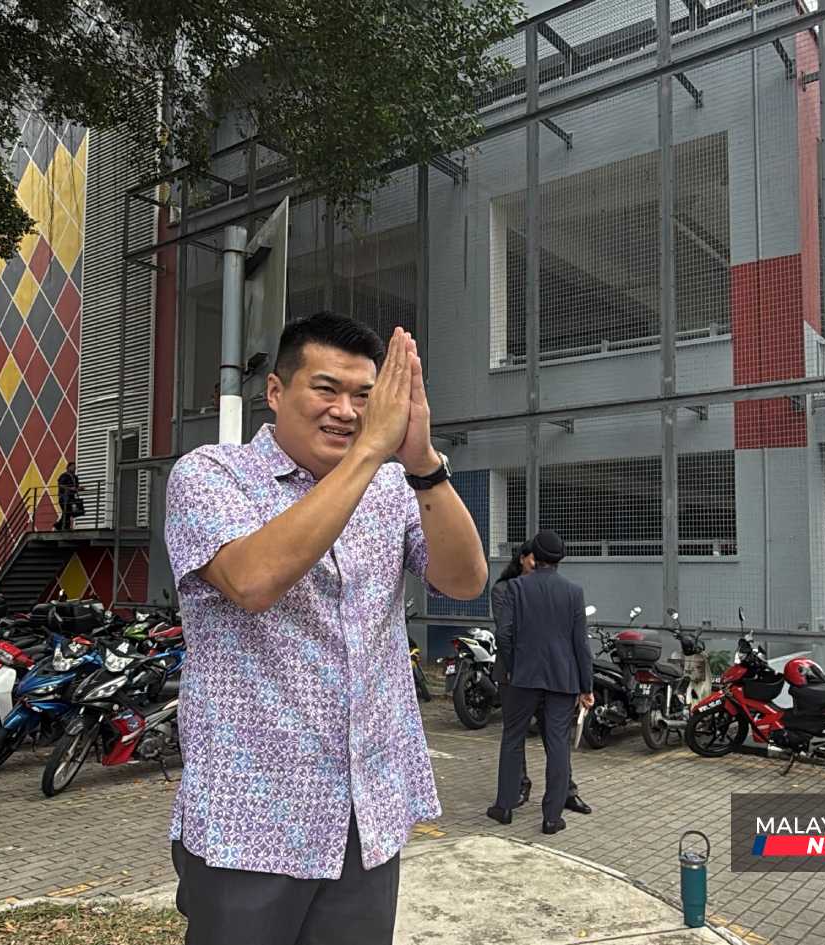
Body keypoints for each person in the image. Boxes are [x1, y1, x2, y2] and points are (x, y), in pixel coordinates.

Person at [163, 312, 489, 945]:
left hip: (366, 813)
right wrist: (369, 452)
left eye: (364, 396)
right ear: (276, 391)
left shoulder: (392, 487)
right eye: (326, 389)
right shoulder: (210, 475)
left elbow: (464, 580)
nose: (346, 411)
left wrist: (422, 462)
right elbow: (252, 580)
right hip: (249, 820)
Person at [486, 529, 594, 834]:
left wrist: (515, 666)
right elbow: (581, 644)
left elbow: (504, 634)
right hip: (562, 678)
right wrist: (586, 687)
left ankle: (505, 806)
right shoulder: (573, 592)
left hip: (523, 677)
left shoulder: (516, 588)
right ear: (560, 558)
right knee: (558, 744)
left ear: (535, 555)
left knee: (513, 738)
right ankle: (552, 817)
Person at [56, 463, 81, 530]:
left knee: (68, 513)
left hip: (71, 498)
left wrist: (79, 488)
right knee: (67, 512)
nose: (74, 468)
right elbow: (61, 485)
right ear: (68, 467)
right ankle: (62, 527)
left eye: (75, 467)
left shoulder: (75, 477)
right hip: (63, 497)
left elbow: (76, 487)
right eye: (73, 467)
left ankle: (59, 526)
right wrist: (70, 488)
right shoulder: (64, 476)